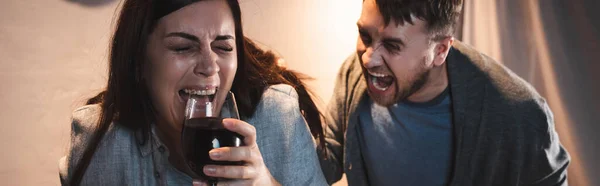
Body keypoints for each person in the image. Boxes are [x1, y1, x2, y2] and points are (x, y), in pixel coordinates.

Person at [58, 0, 328, 185]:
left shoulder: (277, 118)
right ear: (138, 60)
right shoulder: (101, 141)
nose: (210, 67)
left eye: (223, 47)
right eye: (182, 47)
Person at [318, 0, 570, 185]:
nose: (369, 59)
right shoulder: (354, 74)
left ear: (440, 50)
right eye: (365, 35)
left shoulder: (519, 114)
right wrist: (285, 100)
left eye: (393, 46)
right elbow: (326, 161)